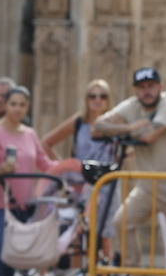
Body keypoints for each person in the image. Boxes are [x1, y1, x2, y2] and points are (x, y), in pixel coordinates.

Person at [0, 86, 75, 276]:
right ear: (6, 105)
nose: (17, 109)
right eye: (13, 104)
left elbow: (44, 162)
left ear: (27, 107)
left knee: (14, 249)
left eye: (22, 104)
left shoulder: (30, 134)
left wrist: (67, 172)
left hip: (22, 202)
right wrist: (1, 169)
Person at [93, 67, 166, 276]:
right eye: (142, 87)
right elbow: (97, 127)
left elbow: (149, 136)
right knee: (122, 222)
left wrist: (119, 130)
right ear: (136, 90)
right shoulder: (132, 106)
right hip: (148, 186)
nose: (147, 92)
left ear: (160, 87)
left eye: (151, 86)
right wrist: (130, 126)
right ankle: (133, 274)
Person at [40, 79, 120, 262]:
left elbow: (128, 151)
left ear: (109, 100)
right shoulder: (79, 122)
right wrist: (65, 168)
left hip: (107, 183)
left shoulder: (115, 123)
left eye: (103, 96)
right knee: (78, 233)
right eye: (92, 96)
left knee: (106, 234)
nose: (97, 100)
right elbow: (46, 142)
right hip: (81, 183)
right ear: (86, 99)